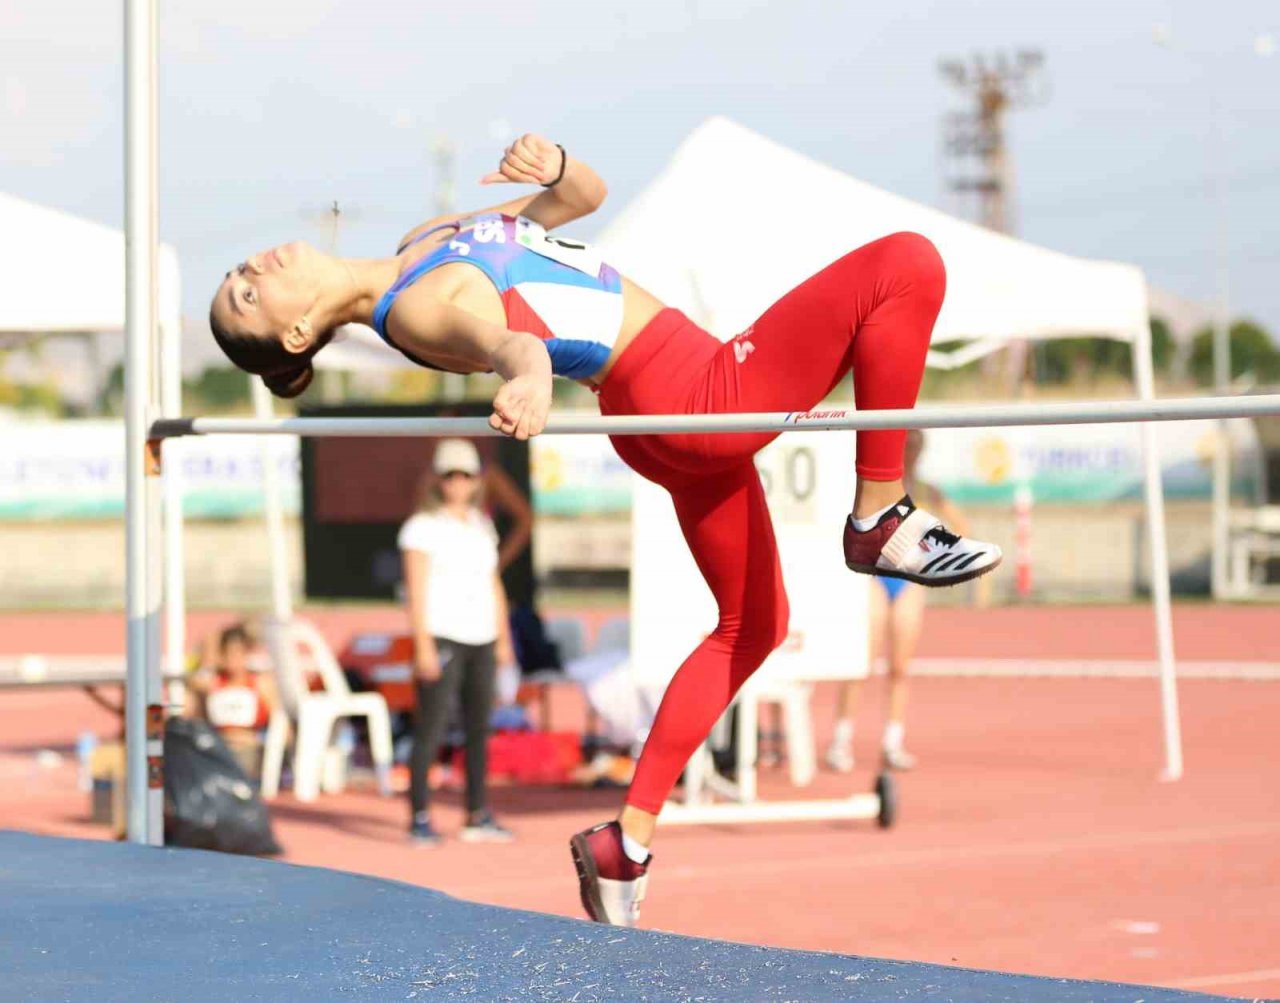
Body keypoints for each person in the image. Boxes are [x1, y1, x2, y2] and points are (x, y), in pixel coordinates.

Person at [208, 132, 1002, 924]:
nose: (251, 270)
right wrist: (528, 378)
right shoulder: (415, 307)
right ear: (295, 335)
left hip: (652, 408)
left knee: (753, 624)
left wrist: (554, 169)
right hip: (692, 391)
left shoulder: (422, 243)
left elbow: (581, 201)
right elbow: (511, 343)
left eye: (238, 271)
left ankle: (629, 841)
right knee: (906, 264)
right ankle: (880, 514)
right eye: (245, 294)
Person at [825, 429, 969, 773]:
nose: (912, 455)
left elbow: (961, 527)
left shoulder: (927, 491)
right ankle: (841, 738)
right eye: (908, 448)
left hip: (907, 581)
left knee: (900, 666)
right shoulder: (875, 485)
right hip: (875, 577)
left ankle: (892, 741)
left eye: (917, 449)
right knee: (862, 660)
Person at [398, 437, 516, 845]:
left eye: (465, 475)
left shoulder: (482, 526)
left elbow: (492, 582)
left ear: (476, 481)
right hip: (443, 633)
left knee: (479, 728)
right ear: (437, 479)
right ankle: (418, 815)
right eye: (450, 474)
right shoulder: (421, 527)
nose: (458, 482)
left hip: (481, 634)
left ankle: (477, 813)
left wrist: (503, 638)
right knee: (431, 728)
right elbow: (416, 590)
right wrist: (423, 644)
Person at [186, 623, 281, 782]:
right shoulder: (213, 683)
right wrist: (211, 654)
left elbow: (280, 723)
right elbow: (194, 683)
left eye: (239, 654)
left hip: (249, 748)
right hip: (219, 749)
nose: (234, 660)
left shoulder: (260, 683)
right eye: (228, 654)